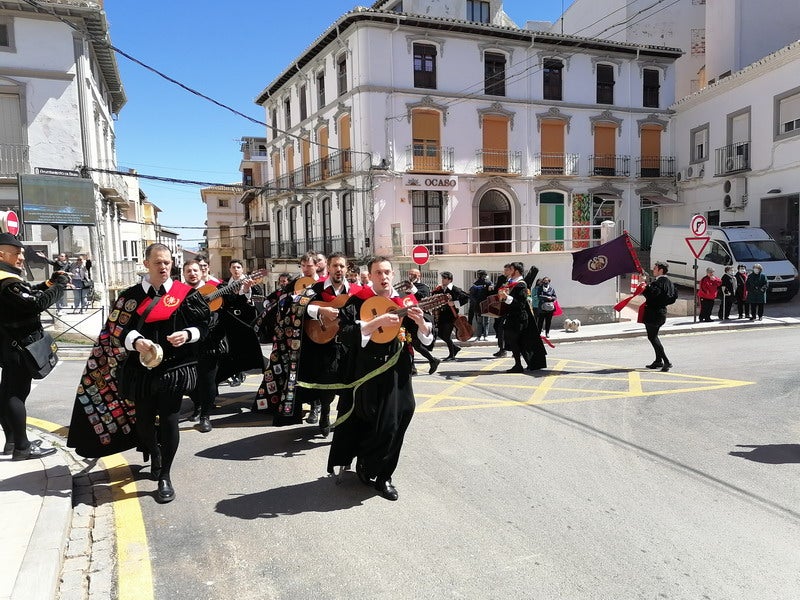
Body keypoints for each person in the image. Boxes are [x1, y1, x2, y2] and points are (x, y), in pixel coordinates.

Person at [67, 243, 210, 504]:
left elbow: (204, 324)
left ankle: (165, 475)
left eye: (167, 262)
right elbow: (116, 330)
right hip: (140, 369)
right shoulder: (129, 296)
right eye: (158, 262)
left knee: (169, 420)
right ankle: (155, 453)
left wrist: (188, 334)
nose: (163, 267)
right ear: (146, 264)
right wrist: (135, 340)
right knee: (143, 422)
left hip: (174, 368)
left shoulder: (185, 294)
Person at [327, 256, 433, 501]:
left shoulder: (405, 301)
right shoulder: (358, 301)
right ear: (370, 276)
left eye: (387, 272)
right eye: (378, 273)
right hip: (368, 372)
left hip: (399, 372)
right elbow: (345, 334)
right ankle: (366, 463)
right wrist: (375, 323)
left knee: (400, 419)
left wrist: (421, 323)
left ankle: (384, 476)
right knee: (376, 424)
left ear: (393, 275)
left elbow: (426, 337)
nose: (383, 277)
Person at [0, 233, 69, 460]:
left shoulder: (8, 282)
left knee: (8, 393)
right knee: (15, 394)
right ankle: (22, 447)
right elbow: (36, 303)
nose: (21, 257)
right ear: (1, 255)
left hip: (10, 346)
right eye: (16, 253)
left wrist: (49, 283)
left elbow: (27, 295)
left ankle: (12, 441)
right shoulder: (6, 282)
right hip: (18, 347)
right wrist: (60, 286)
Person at [297, 252, 362, 434]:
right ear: (328, 268)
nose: (338, 269)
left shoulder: (357, 291)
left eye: (342, 266)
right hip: (324, 346)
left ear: (347, 269)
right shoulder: (316, 288)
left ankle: (343, 418)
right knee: (327, 383)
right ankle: (325, 412)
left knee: (349, 383)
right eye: (335, 266)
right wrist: (320, 311)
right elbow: (296, 305)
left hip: (348, 346)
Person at [183, 260, 226, 433]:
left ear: (202, 272)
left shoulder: (213, 291)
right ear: (184, 274)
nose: (192, 274)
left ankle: (205, 416)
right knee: (190, 381)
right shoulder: (179, 294)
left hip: (209, 344)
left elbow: (220, 314)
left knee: (208, 381)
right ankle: (197, 406)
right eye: (188, 271)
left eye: (195, 270)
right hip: (187, 346)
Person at [497, 262, 547, 373]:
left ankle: (519, 365)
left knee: (516, 341)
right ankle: (522, 364)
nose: (508, 271)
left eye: (511, 269)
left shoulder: (521, 285)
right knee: (517, 341)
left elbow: (520, 304)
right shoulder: (510, 283)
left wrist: (506, 297)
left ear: (516, 271)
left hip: (518, 318)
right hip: (511, 316)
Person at [641, 261, 674, 372]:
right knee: (654, 336)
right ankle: (658, 361)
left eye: (655, 268)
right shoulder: (669, 282)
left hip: (653, 313)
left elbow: (651, 295)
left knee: (653, 337)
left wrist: (644, 284)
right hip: (661, 312)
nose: (653, 270)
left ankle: (666, 361)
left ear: (661, 270)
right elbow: (674, 296)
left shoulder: (659, 283)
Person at [406, 268, 440, 375]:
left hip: (418, 318)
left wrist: (413, 289)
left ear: (419, 276)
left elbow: (424, 299)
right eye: (409, 274)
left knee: (415, 343)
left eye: (413, 274)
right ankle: (413, 367)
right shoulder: (406, 287)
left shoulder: (424, 287)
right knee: (408, 343)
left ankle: (432, 360)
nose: (411, 276)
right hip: (407, 318)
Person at [432, 271, 469, 361]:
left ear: (450, 280)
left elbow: (466, 298)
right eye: (442, 278)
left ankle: (452, 355)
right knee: (440, 333)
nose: (443, 280)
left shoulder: (454, 289)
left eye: (445, 278)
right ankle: (455, 348)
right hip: (441, 315)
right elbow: (434, 296)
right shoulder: (440, 288)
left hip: (450, 315)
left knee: (446, 335)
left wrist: (454, 303)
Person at [468, 270, 493, 341]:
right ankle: (480, 336)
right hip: (480, 306)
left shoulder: (488, 283)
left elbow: (491, 293)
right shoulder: (476, 284)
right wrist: (477, 302)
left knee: (485, 321)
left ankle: (484, 336)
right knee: (481, 321)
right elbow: (472, 295)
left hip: (485, 305)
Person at [492, 272, 508, 358]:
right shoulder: (499, 287)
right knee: (499, 330)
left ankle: (515, 351)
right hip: (499, 312)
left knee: (506, 332)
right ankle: (502, 349)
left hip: (506, 312)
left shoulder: (507, 286)